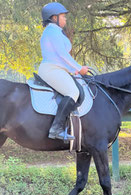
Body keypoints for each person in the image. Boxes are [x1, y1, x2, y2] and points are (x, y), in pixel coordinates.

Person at [38, 2, 88, 141]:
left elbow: (58, 57)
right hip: (51, 69)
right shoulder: (52, 31)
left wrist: (73, 70)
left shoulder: (54, 31)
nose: (65, 19)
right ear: (54, 18)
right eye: (63, 16)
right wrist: (79, 68)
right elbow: (62, 55)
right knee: (73, 92)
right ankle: (56, 129)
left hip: (56, 68)